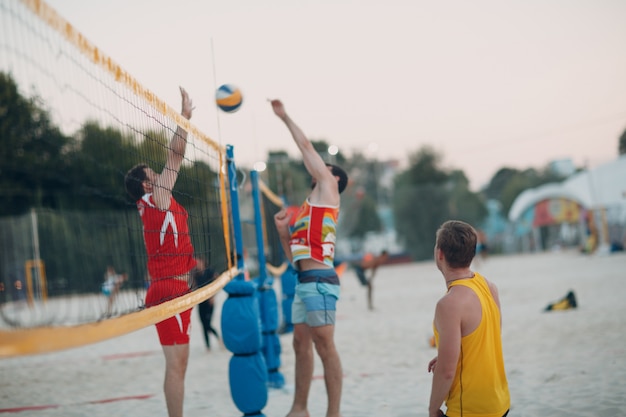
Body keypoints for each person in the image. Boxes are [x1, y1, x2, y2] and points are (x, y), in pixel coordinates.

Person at [271, 99, 348, 417]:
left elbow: (304, 146)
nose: (318, 166)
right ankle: (299, 409)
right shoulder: (307, 207)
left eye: (324, 166)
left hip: (320, 283)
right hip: (303, 280)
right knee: (300, 344)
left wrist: (285, 117)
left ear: (334, 178)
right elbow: (294, 258)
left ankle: (334, 413)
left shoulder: (329, 189)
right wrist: (283, 233)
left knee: (325, 347)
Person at [124, 87, 196, 417]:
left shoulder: (153, 203)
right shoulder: (158, 198)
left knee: (179, 364)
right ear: (146, 185)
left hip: (175, 287)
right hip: (169, 289)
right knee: (176, 366)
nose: (158, 174)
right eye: (153, 175)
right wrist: (184, 119)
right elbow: (176, 155)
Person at [428, 220, 510, 417]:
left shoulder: (448, 305)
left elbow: (447, 371)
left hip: (470, 409)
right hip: (499, 402)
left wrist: (432, 410)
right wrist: (452, 352)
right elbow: (487, 337)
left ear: (440, 254)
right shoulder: (489, 286)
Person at [193, 257, 220, 350]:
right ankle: (208, 346)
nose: (197, 264)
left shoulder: (209, 272)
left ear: (203, 262)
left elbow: (218, 281)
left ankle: (219, 338)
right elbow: (194, 287)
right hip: (201, 302)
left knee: (207, 324)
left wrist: (213, 296)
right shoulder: (195, 274)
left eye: (198, 262)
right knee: (203, 324)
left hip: (209, 302)